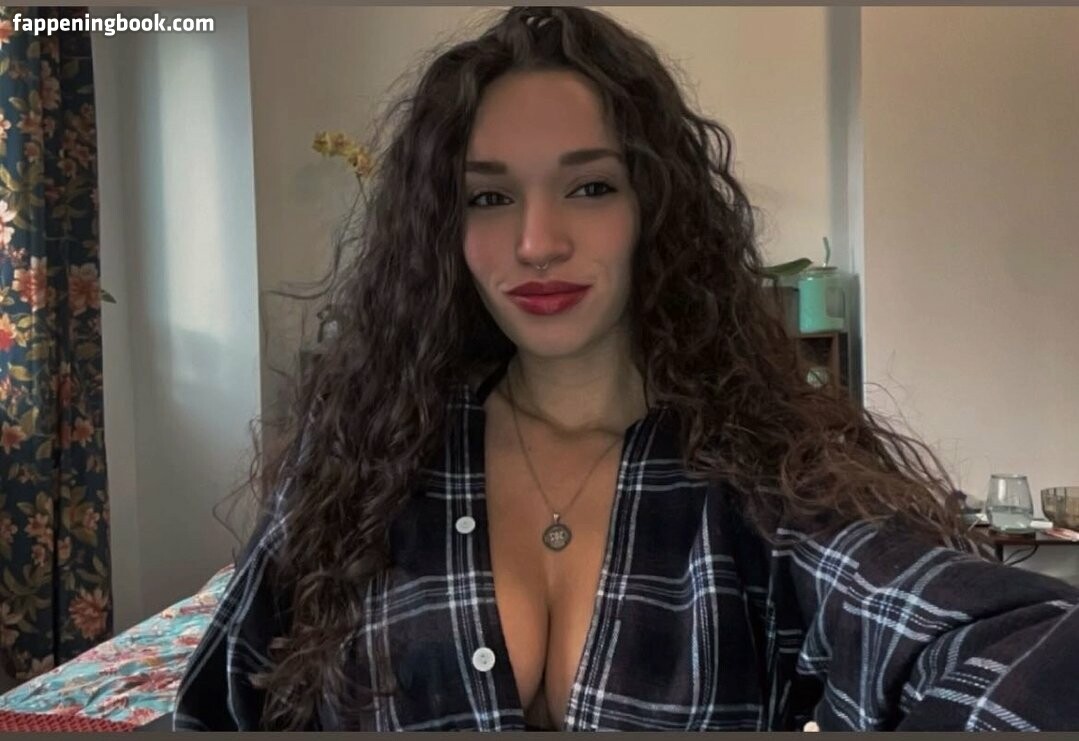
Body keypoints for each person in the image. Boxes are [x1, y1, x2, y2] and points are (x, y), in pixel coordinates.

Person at [173, 6, 1079, 732]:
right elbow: (223, 703)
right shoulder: (364, 453)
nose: (536, 241)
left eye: (590, 186)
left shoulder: (764, 469)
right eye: (487, 196)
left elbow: (1014, 644)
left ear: (655, 208)